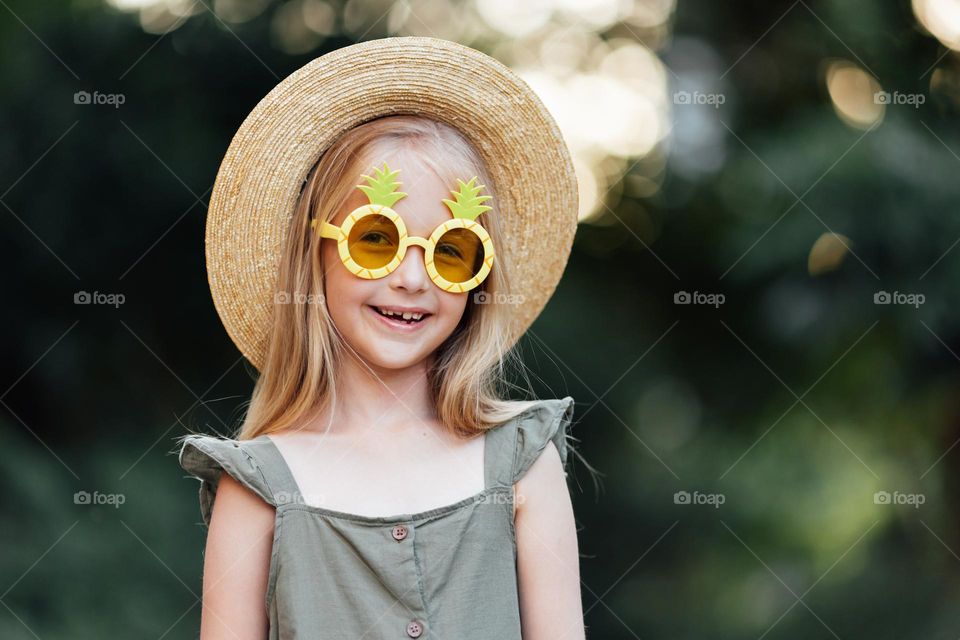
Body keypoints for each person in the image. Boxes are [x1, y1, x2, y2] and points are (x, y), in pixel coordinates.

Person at [176, 36, 589, 639]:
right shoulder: (258, 486)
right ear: (312, 254)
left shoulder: (524, 464)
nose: (413, 279)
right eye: (376, 239)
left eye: (451, 252)